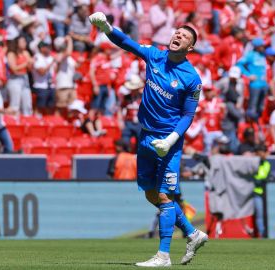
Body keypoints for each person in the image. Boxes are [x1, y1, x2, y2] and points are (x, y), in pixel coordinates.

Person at [89, 12, 207, 267]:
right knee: (151, 195)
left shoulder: (192, 78)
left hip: (168, 143)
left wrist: (171, 140)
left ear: (190, 47)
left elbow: (188, 115)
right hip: (146, 137)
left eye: (185, 36)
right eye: (178, 32)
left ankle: (163, 256)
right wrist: (107, 28)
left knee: (165, 198)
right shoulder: (154, 56)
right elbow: (127, 43)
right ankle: (193, 233)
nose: (179, 35)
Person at [236, 38, 268, 117]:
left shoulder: (263, 55)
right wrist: (248, 75)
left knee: (261, 106)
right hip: (255, 85)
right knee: (252, 106)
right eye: (261, 46)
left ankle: (257, 123)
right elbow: (239, 64)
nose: (263, 47)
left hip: (264, 84)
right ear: (257, 46)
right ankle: (250, 125)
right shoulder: (250, 55)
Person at [6, 35, 33, 116]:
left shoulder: (26, 53)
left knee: (27, 103)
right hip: (15, 79)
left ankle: (27, 122)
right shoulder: (11, 54)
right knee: (15, 103)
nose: (25, 43)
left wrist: (30, 64)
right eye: (22, 42)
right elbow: (13, 69)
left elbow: (29, 69)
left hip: (25, 78)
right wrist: (26, 64)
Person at [118, 74, 144, 146]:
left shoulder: (143, 97)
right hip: (128, 122)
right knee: (125, 142)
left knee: (140, 143)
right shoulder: (126, 98)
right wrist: (120, 121)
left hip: (140, 123)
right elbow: (120, 108)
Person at [32, 41, 56, 115]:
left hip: (51, 85)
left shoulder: (50, 57)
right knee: (39, 106)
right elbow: (41, 72)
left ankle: (49, 123)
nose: (49, 49)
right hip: (40, 86)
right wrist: (51, 63)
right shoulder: (37, 57)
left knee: (50, 107)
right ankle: (37, 122)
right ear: (42, 48)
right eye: (47, 47)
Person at [253, 144, 270, 238]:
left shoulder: (267, 164)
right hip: (256, 193)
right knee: (259, 215)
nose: (262, 155)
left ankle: (266, 233)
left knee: (265, 215)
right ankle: (262, 234)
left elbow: (266, 177)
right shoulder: (253, 164)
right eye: (260, 153)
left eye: (263, 153)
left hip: (266, 194)